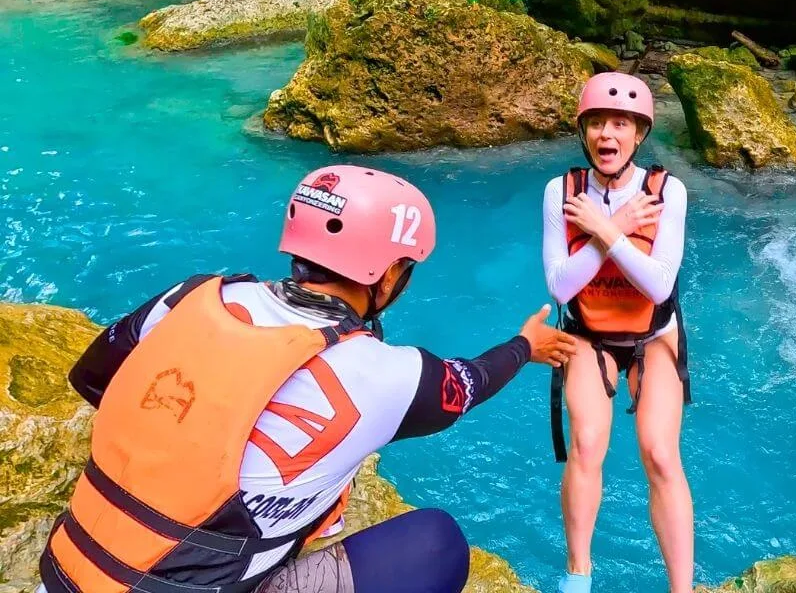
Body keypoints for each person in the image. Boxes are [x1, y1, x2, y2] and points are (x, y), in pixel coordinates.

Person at [37, 164, 577, 593]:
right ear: (389, 274)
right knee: (437, 543)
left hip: (66, 570)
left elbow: (91, 379)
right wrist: (526, 345)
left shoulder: (193, 296)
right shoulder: (384, 373)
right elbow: (468, 383)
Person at [543, 72, 694, 593]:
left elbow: (657, 285)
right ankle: (578, 575)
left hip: (653, 334)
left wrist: (609, 228)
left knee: (659, 452)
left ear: (638, 135)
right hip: (589, 334)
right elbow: (561, 287)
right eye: (598, 123)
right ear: (584, 131)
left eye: (621, 124)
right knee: (587, 444)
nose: (608, 134)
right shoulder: (560, 192)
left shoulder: (666, 192)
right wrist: (614, 233)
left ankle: (682, 588)